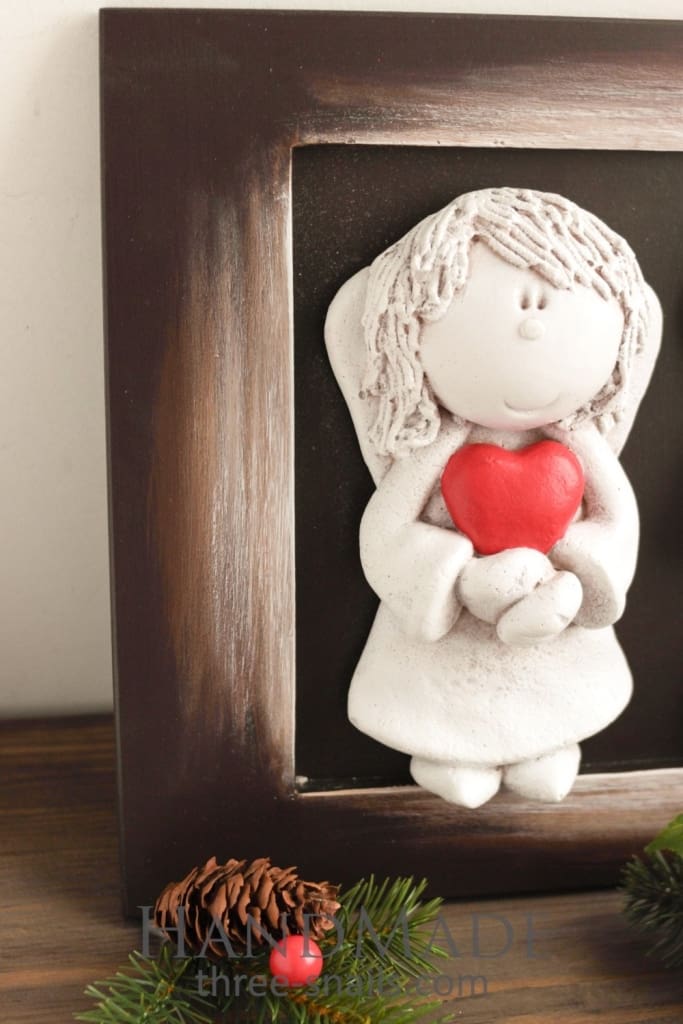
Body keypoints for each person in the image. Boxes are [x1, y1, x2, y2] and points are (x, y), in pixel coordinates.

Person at [325, 187, 661, 808]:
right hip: (452, 624)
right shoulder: (430, 445)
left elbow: (615, 518)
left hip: (553, 600)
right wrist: (461, 573)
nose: (533, 324)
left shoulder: (577, 444)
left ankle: (545, 744)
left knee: (553, 680)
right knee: (445, 706)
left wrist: (571, 566)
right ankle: (451, 752)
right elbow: (389, 529)